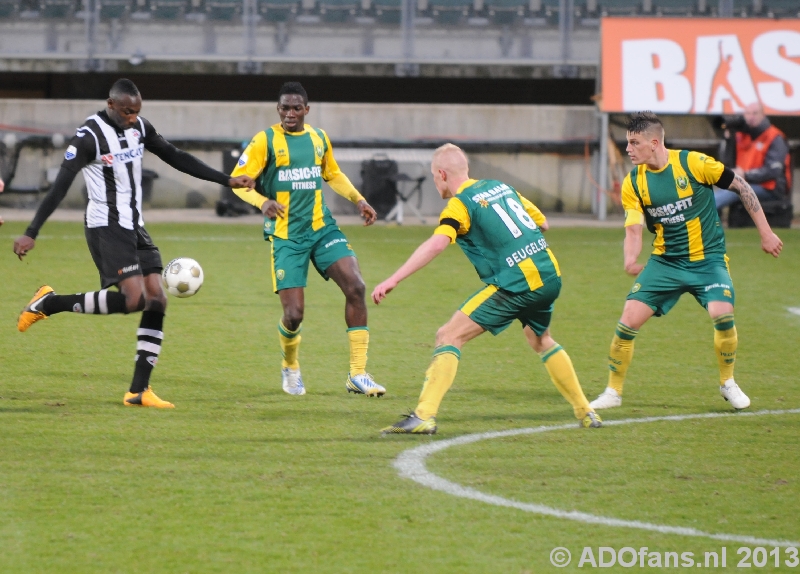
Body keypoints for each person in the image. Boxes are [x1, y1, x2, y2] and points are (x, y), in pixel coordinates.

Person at [12, 78, 256, 408]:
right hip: (106, 226)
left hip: (135, 224)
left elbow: (175, 156)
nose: (132, 118)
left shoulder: (140, 127)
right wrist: (32, 231)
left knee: (157, 299)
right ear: (111, 105)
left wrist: (226, 180)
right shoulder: (89, 137)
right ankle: (50, 303)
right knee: (133, 299)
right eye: (127, 112)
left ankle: (138, 391)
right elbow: (59, 186)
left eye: (137, 112)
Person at [372, 143, 602, 435]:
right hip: (548, 274)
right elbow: (542, 222)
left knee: (448, 335)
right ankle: (586, 411)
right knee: (540, 338)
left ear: (441, 174)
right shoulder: (499, 186)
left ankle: (424, 415)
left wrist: (394, 279)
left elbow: (438, 243)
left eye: (433, 176)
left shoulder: (460, 204)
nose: (434, 181)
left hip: (516, 283)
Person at [589, 112, 783, 412]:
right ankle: (613, 392)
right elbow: (633, 228)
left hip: (708, 261)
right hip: (665, 263)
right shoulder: (634, 182)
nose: (628, 149)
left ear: (653, 143)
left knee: (723, 315)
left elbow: (742, 187)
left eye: (633, 143)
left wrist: (766, 233)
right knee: (627, 321)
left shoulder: (694, 164)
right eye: (627, 142)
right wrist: (630, 258)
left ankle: (727, 382)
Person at [229, 81, 384, 397]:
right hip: (287, 238)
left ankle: (358, 373)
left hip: (322, 229)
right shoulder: (265, 141)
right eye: (284, 107)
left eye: (296, 108)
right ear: (278, 109)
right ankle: (290, 366)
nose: (289, 113)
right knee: (294, 314)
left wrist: (359, 200)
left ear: (306, 110)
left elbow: (333, 173)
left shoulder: (318, 138)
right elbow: (237, 182)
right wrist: (263, 202)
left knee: (356, 287)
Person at [714, 102, 792, 209]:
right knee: (723, 188)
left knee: (736, 190)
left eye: (755, 113)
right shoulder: (741, 135)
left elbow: (773, 171)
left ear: (763, 115)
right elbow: (726, 161)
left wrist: (746, 175)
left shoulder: (774, 137)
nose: (751, 117)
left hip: (770, 187)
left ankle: (698, 213)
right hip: (745, 183)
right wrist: (728, 139)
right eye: (748, 113)